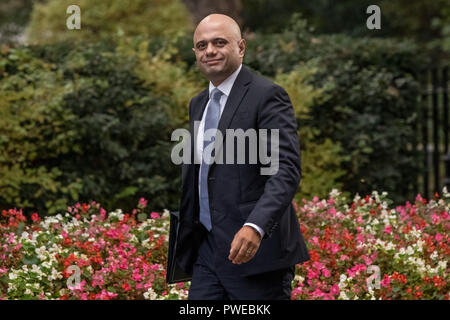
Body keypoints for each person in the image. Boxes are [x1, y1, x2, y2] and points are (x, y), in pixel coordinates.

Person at [175, 13, 310, 300]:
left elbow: (284, 170)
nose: (209, 50)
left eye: (219, 42)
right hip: (207, 253)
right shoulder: (198, 104)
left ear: (241, 47)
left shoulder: (268, 96)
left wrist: (255, 226)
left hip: (255, 255)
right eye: (201, 45)